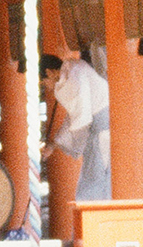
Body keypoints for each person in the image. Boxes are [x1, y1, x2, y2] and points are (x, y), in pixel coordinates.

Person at [39, 51, 111, 203]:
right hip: (98, 127)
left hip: (102, 127)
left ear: (49, 72)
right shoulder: (73, 70)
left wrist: (73, 145)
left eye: (43, 82)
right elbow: (74, 117)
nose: (47, 88)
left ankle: (92, 220)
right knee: (96, 177)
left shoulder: (73, 77)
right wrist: (55, 144)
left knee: (95, 179)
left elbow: (80, 119)